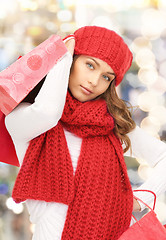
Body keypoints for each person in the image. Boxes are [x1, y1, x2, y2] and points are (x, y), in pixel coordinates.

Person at [5, 26, 166, 240]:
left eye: (106, 77)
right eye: (90, 65)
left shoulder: (111, 125)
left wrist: (142, 197)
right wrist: (61, 55)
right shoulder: (23, 118)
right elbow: (48, 112)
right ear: (72, 60)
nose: (94, 81)